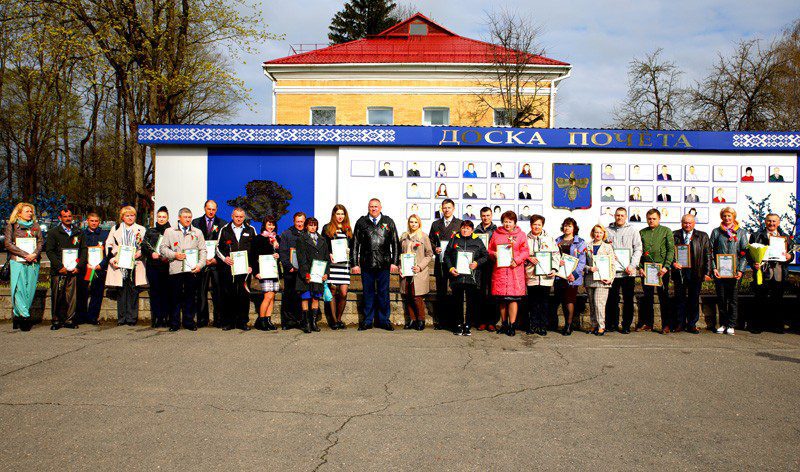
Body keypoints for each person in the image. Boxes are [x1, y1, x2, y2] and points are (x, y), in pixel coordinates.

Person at [351, 198, 400, 330]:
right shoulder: (361, 222)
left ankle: (384, 320)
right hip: (367, 264)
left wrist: (395, 262)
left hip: (384, 264)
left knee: (384, 293)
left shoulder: (388, 221)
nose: (373, 209)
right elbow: (355, 244)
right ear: (368, 207)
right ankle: (367, 320)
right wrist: (354, 263)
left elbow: (395, 243)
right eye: (371, 206)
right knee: (368, 293)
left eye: (376, 206)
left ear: (380, 207)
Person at [160, 208, 206, 331]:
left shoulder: (197, 232)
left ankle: (189, 321)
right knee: (175, 297)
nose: (188, 219)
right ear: (179, 217)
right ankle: (174, 323)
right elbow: (163, 248)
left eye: (189, 217)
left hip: (192, 269)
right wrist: (174, 255)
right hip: (176, 269)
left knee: (190, 297)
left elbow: (203, 250)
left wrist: (200, 265)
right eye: (185, 217)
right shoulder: (169, 231)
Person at [748, 213, 795, 333]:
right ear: (765, 222)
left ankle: (777, 326)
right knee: (760, 298)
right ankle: (757, 326)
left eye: (774, 221)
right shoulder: (756, 236)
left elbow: (791, 253)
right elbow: (749, 254)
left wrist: (790, 256)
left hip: (779, 271)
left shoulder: (785, 237)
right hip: (763, 270)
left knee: (778, 299)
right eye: (769, 221)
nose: (771, 223)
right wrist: (754, 263)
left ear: (778, 223)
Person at [444, 220, 489, 336]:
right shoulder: (454, 239)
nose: (465, 230)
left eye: (468, 228)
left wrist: (477, 263)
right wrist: (450, 268)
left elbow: (485, 256)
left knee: (471, 302)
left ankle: (468, 325)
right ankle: (458, 325)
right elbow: (447, 255)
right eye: (463, 228)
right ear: (460, 228)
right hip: (457, 277)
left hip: (471, 278)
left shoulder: (477, 241)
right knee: (457, 302)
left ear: (472, 230)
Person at [488, 211, 528, 336]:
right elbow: (490, 249)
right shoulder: (496, 234)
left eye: (510, 222)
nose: (507, 224)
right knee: (502, 299)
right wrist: (494, 254)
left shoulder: (521, 235)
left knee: (513, 299)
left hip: (514, 271)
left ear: (514, 222)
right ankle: (504, 324)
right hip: (500, 271)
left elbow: (525, 251)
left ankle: (512, 325)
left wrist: (517, 260)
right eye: (505, 221)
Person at [5, 202, 44, 331]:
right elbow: (8, 244)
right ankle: (25, 317)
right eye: (27, 211)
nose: (30, 213)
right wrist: (25, 254)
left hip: (33, 261)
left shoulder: (36, 226)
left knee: (30, 290)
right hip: (18, 262)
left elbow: (40, 242)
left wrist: (34, 254)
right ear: (19, 213)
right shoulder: (12, 225)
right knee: (20, 289)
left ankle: (17, 316)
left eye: (31, 211)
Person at [106, 206, 147, 326]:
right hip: (120, 264)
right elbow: (109, 245)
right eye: (127, 215)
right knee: (121, 290)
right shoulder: (115, 228)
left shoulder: (141, 229)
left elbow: (145, 246)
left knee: (133, 290)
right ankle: (121, 317)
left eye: (132, 215)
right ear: (122, 217)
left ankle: (131, 318)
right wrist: (112, 259)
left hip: (135, 263)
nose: (130, 218)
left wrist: (140, 253)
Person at [44, 207, 85, 330]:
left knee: (71, 296)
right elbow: (49, 251)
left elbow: (83, 250)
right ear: (60, 218)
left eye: (69, 216)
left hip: (73, 270)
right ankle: (56, 320)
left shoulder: (78, 232)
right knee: (57, 295)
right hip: (59, 270)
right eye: (65, 216)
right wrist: (59, 266)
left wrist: (79, 266)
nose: (68, 218)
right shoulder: (53, 232)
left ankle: (69, 320)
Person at [709, 207, 748, 335]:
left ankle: (731, 324)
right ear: (722, 217)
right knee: (721, 298)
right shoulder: (716, 232)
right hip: (720, 272)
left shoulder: (741, 232)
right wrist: (714, 268)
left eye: (729, 216)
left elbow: (745, 253)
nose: (727, 218)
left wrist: (740, 270)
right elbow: (710, 251)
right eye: (724, 216)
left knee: (733, 299)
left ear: (734, 217)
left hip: (735, 272)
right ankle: (723, 323)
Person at [216, 207, 256, 331]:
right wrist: (225, 259)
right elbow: (217, 248)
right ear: (232, 216)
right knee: (229, 294)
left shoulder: (250, 229)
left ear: (244, 217)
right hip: (229, 268)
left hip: (245, 269)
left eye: (241, 217)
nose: (239, 219)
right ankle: (229, 322)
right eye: (236, 216)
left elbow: (255, 250)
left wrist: (252, 266)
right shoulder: (225, 229)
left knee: (244, 295)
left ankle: (242, 322)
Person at [671, 214, 712, 334]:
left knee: (694, 299)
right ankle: (680, 324)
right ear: (681, 223)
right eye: (685, 222)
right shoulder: (674, 235)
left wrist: (707, 272)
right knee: (679, 298)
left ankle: (692, 324)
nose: (687, 225)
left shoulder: (703, 236)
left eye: (690, 223)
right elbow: (670, 252)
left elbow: (708, 254)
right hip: (680, 272)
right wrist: (673, 263)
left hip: (696, 272)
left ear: (694, 223)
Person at [605, 208, 643, 334]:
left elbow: (638, 249)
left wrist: (632, 265)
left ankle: (626, 325)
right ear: (614, 216)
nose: (619, 217)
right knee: (612, 299)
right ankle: (612, 324)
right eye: (617, 215)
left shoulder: (633, 230)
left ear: (626, 217)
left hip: (628, 272)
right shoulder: (607, 230)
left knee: (628, 299)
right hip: (613, 272)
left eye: (622, 215)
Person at [638, 209, 674, 333]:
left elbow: (670, 250)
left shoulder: (666, 231)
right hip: (646, 269)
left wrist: (666, 266)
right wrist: (640, 267)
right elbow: (639, 251)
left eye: (654, 219)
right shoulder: (642, 232)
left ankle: (666, 324)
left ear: (659, 219)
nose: (651, 221)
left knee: (663, 297)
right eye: (649, 219)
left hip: (661, 269)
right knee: (647, 297)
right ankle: (648, 323)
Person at [429, 199, 462, 330]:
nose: (446, 210)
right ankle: (441, 321)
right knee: (441, 293)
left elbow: (463, 240)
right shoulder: (436, 224)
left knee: (456, 292)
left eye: (449, 207)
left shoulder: (459, 223)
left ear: (453, 209)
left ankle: (455, 322)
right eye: (444, 208)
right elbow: (430, 240)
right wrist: (434, 248)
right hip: (440, 263)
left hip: (455, 263)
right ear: (441, 209)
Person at [192, 200, 226, 327]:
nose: (211, 211)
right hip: (202, 262)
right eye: (209, 209)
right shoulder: (196, 223)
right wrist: (202, 259)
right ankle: (202, 319)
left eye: (213, 209)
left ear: (216, 210)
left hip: (216, 263)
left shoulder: (222, 224)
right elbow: (193, 243)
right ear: (204, 208)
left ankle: (219, 319)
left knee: (218, 292)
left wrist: (217, 259)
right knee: (201, 292)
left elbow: (224, 245)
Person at [524, 214, 558, 336]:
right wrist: (529, 258)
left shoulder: (549, 239)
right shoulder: (525, 239)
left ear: (542, 225)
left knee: (544, 302)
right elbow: (521, 254)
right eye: (534, 224)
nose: (537, 227)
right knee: (532, 302)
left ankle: (542, 326)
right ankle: (533, 325)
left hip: (546, 277)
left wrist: (554, 268)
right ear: (531, 225)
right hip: (531, 275)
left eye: (539, 224)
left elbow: (556, 255)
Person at [399, 214, 433, 330]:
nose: (413, 224)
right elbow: (400, 254)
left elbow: (429, 254)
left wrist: (420, 266)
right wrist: (400, 267)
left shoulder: (424, 236)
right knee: (408, 296)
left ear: (419, 223)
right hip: (406, 271)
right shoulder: (404, 236)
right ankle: (412, 320)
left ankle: (421, 320)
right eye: (411, 222)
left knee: (416, 296)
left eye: (415, 222)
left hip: (418, 271)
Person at [295, 217, 329, 333]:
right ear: (306, 226)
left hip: (319, 274)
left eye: (315, 225)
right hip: (307, 273)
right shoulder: (301, 239)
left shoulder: (322, 239)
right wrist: (305, 274)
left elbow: (326, 258)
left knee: (315, 297)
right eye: (310, 225)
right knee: (306, 297)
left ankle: (313, 322)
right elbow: (301, 259)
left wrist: (326, 273)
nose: (313, 227)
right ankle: (306, 323)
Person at [554, 217, 587, 335]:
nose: (567, 228)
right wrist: (556, 262)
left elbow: (582, 261)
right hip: (559, 276)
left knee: (570, 300)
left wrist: (574, 274)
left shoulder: (580, 242)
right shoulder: (557, 240)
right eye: (565, 225)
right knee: (562, 300)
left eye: (569, 226)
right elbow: (553, 256)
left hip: (572, 277)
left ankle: (569, 325)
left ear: (574, 228)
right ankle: (564, 324)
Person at [322, 204, 353, 330]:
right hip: (333, 265)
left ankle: (339, 318)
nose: (340, 216)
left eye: (342, 214)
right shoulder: (327, 228)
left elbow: (352, 246)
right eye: (338, 214)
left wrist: (349, 253)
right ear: (334, 215)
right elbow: (323, 246)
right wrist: (328, 253)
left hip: (344, 266)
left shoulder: (348, 229)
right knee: (333, 292)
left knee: (344, 293)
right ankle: (334, 321)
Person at [77, 212, 110, 325]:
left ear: (99, 222)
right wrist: (84, 263)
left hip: (99, 268)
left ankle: (92, 317)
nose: (94, 223)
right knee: (83, 292)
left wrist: (102, 264)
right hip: (87, 268)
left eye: (96, 221)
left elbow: (109, 252)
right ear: (87, 221)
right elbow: (79, 251)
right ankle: (81, 316)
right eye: (92, 221)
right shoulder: (81, 234)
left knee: (97, 293)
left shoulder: (105, 234)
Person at [250, 215, 281, 331]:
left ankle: (268, 320)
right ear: (264, 225)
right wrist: (256, 272)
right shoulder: (258, 238)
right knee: (268, 296)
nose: (271, 227)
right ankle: (261, 321)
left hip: (274, 271)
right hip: (264, 271)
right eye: (269, 224)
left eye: (273, 225)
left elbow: (281, 254)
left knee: (272, 296)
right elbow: (253, 256)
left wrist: (278, 255)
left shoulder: (277, 238)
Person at [585, 225, 615, 335]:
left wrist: (611, 278)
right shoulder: (587, 246)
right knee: (592, 305)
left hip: (603, 280)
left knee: (599, 304)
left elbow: (612, 265)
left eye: (600, 232)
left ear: (604, 234)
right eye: (596, 232)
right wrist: (589, 268)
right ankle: (594, 325)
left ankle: (601, 326)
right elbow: (582, 263)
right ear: (593, 233)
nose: (598, 234)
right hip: (590, 279)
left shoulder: (608, 247)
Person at [144, 207, 171, 328]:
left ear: (167, 218)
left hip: (166, 266)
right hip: (153, 266)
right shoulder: (150, 231)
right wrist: (151, 254)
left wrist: (168, 256)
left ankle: (165, 317)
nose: (161, 219)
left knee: (166, 292)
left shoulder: (171, 231)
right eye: (159, 216)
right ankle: (156, 318)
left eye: (164, 217)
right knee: (155, 292)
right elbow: (144, 246)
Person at [278, 212, 306, 330]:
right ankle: (288, 321)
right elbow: (283, 252)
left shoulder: (308, 233)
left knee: (302, 296)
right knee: (289, 295)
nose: (300, 224)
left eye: (302, 222)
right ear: (294, 221)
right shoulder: (286, 234)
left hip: (303, 272)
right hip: (290, 271)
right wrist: (288, 266)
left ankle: (301, 320)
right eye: (297, 221)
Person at [474, 207, 498, 331]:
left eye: (488, 215)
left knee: (492, 294)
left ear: (491, 216)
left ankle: (492, 322)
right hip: (480, 266)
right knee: (481, 293)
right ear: (480, 216)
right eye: (483, 215)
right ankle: (482, 321)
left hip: (493, 264)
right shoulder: (476, 230)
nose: (486, 218)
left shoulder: (497, 230)